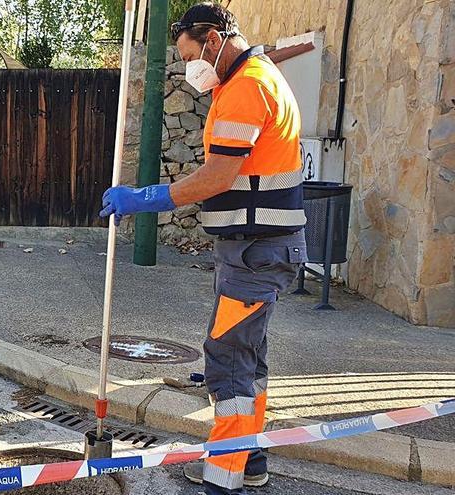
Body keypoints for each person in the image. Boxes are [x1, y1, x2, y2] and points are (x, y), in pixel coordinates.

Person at [100, 3, 307, 494]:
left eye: (191, 54)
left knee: (228, 360)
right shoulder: (252, 78)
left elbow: (217, 176)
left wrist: (146, 197)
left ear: (213, 39)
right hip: (258, 249)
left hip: (256, 252)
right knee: (247, 356)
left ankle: (224, 478)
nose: (191, 67)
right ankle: (250, 459)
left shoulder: (247, 87)